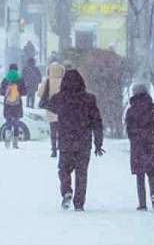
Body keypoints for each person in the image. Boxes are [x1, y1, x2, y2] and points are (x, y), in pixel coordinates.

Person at [46, 69, 104, 211]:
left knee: (64, 169)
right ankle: (79, 203)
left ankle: (67, 191)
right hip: (84, 141)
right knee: (81, 173)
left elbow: (47, 105)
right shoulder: (89, 99)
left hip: (66, 141)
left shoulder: (60, 98)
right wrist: (98, 143)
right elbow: (97, 122)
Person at [125, 83, 154, 211]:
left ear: (134, 93)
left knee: (140, 175)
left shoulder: (131, 110)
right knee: (152, 172)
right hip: (152, 144)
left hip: (138, 146)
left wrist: (135, 138)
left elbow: (129, 130)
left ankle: (142, 203)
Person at [37, 61, 65, 157]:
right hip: (63, 109)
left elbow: (39, 94)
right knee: (61, 130)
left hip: (51, 109)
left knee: (53, 130)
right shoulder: (64, 80)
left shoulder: (47, 81)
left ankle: (53, 150)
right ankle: (61, 147)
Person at [0, 64, 28, 149]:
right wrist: (18, 92)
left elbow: (1, 92)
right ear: (17, 70)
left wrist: (7, 93)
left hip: (7, 105)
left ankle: (7, 140)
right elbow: (24, 92)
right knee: (16, 124)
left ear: (9, 69)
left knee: (8, 123)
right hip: (17, 106)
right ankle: (15, 143)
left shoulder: (5, 79)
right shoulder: (20, 80)